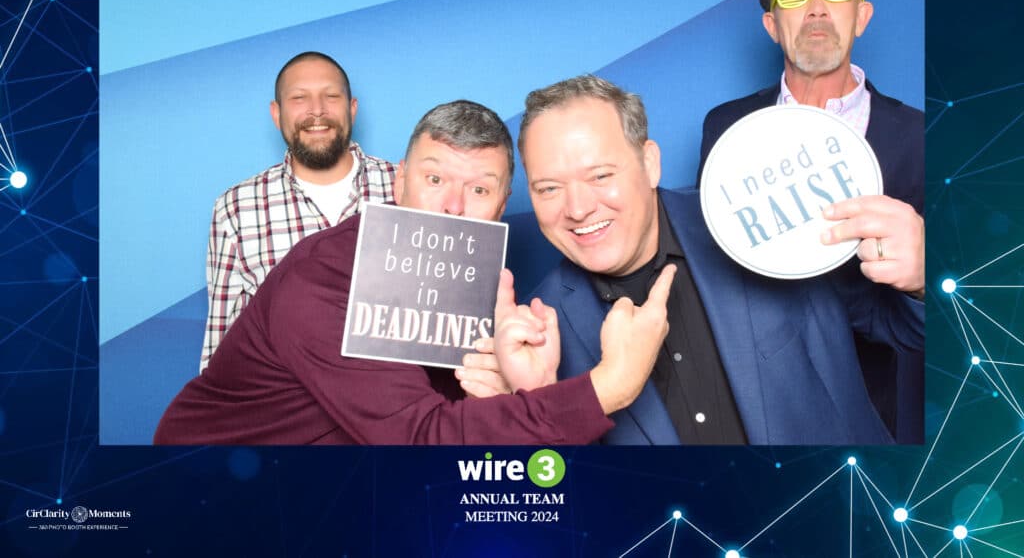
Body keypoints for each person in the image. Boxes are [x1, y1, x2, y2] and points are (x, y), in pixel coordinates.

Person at [155, 100, 675, 445]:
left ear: (500, 206)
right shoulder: (323, 281)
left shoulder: (483, 289)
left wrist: (529, 390)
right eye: (434, 178)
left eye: (478, 190)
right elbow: (421, 441)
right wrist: (611, 385)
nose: (452, 207)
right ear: (399, 182)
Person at [517, 74, 923, 445]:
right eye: (549, 188)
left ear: (649, 163)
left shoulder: (763, 217)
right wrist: (526, 409)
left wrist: (923, 279)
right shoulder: (535, 338)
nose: (577, 207)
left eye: (600, 176)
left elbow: (907, 331)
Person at [695, 0, 925, 442]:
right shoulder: (726, 128)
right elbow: (711, 259)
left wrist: (928, 274)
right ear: (772, 26)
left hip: (879, 400)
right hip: (758, 397)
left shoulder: (921, 136)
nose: (817, 7)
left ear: (861, 17)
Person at [202, 51, 396, 371]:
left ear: (352, 109)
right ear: (276, 114)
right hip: (288, 412)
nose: (317, 110)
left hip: (394, 407)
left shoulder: (403, 189)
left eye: (331, 96)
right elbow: (222, 345)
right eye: (299, 98)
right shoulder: (236, 209)